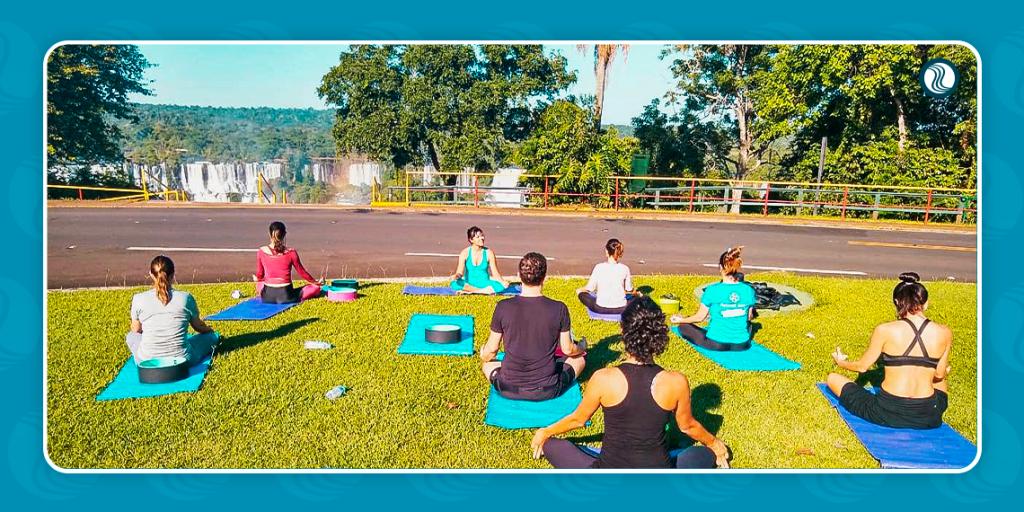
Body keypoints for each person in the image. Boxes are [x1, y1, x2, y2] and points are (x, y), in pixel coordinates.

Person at [531, 296, 730, 469]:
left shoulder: (603, 378)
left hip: (608, 474)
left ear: (623, 331)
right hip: (659, 476)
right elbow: (688, 427)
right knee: (707, 454)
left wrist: (544, 432)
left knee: (551, 444)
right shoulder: (675, 381)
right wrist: (714, 443)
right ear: (659, 333)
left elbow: (578, 420)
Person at [827, 272, 952, 429]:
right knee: (940, 381)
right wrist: (943, 370)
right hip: (928, 415)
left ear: (896, 302)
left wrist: (841, 362)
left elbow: (862, 367)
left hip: (886, 413)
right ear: (926, 303)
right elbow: (939, 375)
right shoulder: (944, 332)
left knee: (833, 378)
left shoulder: (885, 330)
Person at [480, 252, 586, 401]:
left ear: (519, 276)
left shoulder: (503, 307)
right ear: (544, 277)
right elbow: (568, 349)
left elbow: (491, 351)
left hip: (507, 388)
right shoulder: (559, 308)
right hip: (547, 389)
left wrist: (483, 353)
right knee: (579, 360)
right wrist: (581, 347)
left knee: (488, 365)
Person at [126, 255, 218, 366]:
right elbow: (199, 326)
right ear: (173, 275)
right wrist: (210, 331)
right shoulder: (185, 298)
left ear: (150, 274)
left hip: (146, 361)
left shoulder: (138, 298)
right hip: (184, 359)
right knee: (210, 338)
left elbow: (136, 329)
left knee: (131, 336)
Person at [670, 246, 755, 351]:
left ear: (720, 267)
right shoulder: (748, 290)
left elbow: (699, 317)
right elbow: (748, 317)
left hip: (716, 343)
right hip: (742, 345)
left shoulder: (712, 290)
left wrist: (681, 319)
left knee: (683, 326)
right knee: (750, 325)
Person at [254, 221, 323, 304]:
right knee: (315, 288)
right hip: (287, 296)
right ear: (284, 234)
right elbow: (302, 273)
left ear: (269, 234)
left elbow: (260, 274)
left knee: (259, 283)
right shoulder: (291, 252)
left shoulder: (261, 251)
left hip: (267, 297)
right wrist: (316, 283)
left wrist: (257, 279)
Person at [576, 238, 641, 314]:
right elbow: (629, 290)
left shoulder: (599, 267)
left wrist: (580, 290)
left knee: (582, 295)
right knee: (637, 299)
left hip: (600, 308)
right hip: (622, 308)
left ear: (606, 251)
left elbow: (590, 288)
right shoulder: (624, 268)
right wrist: (638, 294)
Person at [450, 226, 510, 295]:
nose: (482, 238)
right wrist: (456, 277)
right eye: (478, 237)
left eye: (482, 236)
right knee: (454, 284)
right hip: (469, 284)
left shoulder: (489, 253)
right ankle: (481, 291)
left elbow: (495, 273)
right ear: (471, 240)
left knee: (500, 286)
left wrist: (502, 282)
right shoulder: (465, 253)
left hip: (485, 284)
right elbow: (459, 272)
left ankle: (471, 291)